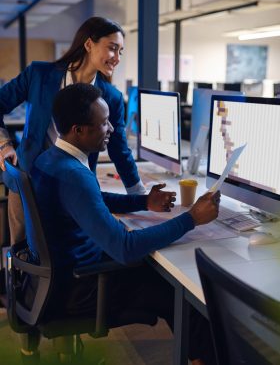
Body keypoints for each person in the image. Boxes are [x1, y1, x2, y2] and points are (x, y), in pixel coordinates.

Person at [25, 83, 219, 365]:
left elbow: (94, 198)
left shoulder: (51, 159)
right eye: (104, 123)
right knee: (184, 295)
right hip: (80, 289)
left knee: (160, 274)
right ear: (78, 130)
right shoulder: (74, 175)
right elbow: (125, 248)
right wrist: (191, 219)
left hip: (60, 278)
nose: (113, 130)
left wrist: (142, 202)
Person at [0, 16, 145, 244]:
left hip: (75, 188)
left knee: (69, 255)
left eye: (121, 52)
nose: (117, 58)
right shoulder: (40, 75)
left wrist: (140, 195)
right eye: (112, 48)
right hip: (29, 181)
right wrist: (4, 144)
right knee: (24, 253)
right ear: (89, 44)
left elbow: (119, 150)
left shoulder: (112, 97)